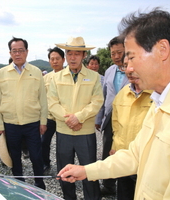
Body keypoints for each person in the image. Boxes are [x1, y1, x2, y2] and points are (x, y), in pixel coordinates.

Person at [57, 9, 170, 199]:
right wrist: (86, 171)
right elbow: (135, 155)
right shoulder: (161, 99)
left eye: (131, 57)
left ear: (162, 50)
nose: (128, 68)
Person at [48, 36, 103, 200]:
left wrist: (79, 118)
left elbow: (97, 101)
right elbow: (52, 103)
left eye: (77, 54)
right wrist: (69, 120)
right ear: (66, 55)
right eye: (70, 53)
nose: (73, 57)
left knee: (89, 172)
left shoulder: (94, 77)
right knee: (65, 172)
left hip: (85, 132)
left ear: (84, 55)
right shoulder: (56, 78)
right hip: (64, 132)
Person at [0, 37, 47, 189]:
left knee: (36, 156)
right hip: (11, 124)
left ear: (27, 52)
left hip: (32, 123)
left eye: (21, 50)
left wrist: (43, 121)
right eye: (14, 51)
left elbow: (42, 98)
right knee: (14, 157)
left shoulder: (36, 72)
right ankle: (19, 185)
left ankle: (39, 184)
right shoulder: (2, 73)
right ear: (10, 53)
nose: (17, 54)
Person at [110, 56, 153, 200]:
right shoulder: (122, 93)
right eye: (125, 65)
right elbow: (116, 123)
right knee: (124, 193)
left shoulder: (157, 94)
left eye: (132, 64)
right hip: (123, 155)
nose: (129, 70)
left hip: (147, 159)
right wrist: (115, 145)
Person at [95, 36, 128, 195]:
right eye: (112, 53)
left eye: (119, 52)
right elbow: (104, 96)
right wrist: (99, 118)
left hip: (128, 118)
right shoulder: (109, 71)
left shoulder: (136, 70)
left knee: (125, 151)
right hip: (109, 117)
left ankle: (126, 187)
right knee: (107, 150)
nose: (116, 56)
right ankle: (108, 185)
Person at [42, 47, 65, 173]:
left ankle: (63, 167)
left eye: (57, 59)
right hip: (49, 117)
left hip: (63, 117)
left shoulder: (69, 76)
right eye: (52, 59)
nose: (55, 61)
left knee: (63, 145)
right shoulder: (46, 78)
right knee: (44, 142)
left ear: (63, 60)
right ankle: (45, 163)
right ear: (49, 61)